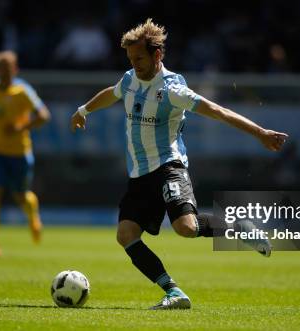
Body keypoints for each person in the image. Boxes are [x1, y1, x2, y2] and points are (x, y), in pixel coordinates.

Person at [70, 19, 287, 309]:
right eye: (131, 59)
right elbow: (112, 92)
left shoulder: (173, 90)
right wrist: (84, 110)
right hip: (139, 174)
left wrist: (260, 133)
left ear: (157, 55)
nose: (135, 64)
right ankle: (173, 292)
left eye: (140, 58)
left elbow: (218, 111)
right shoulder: (129, 79)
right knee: (126, 235)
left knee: (185, 227)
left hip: (168, 166)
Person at [0, 50, 51, 257]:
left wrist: (20, 128)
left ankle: (33, 218)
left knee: (20, 196)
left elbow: (44, 115)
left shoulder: (23, 91)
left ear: (15, 69)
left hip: (19, 153)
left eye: (9, 69)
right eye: (1, 69)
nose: (5, 73)